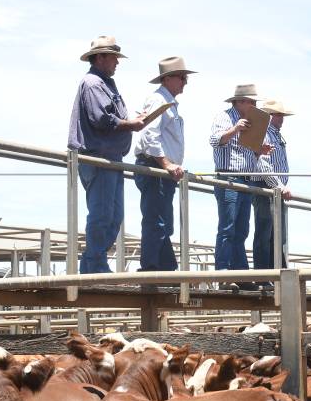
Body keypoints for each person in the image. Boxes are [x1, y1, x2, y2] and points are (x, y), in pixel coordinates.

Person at [67, 36, 146, 274]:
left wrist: (130, 122)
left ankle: (93, 263)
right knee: (103, 214)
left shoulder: (103, 83)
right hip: (98, 157)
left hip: (109, 158)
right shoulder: (93, 83)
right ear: (100, 57)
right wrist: (131, 124)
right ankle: (94, 265)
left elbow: (106, 117)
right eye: (113, 57)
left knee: (112, 216)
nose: (117, 63)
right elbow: (101, 119)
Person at [132, 56, 196, 276]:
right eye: (181, 77)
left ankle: (165, 268)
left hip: (162, 170)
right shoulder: (158, 100)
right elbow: (150, 134)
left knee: (162, 221)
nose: (185, 81)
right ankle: (151, 269)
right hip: (155, 167)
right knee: (156, 219)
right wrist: (166, 163)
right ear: (168, 78)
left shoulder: (166, 101)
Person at [209, 84, 272, 289]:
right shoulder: (224, 117)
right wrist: (235, 129)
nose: (254, 105)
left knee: (241, 229)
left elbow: (246, 152)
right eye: (251, 102)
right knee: (228, 227)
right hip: (229, 177)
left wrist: (258, 151)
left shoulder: (252, 122)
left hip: (244, 179)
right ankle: (224, 274)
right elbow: (215, 140)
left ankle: (240, 274)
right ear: (240, 102)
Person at [254, 99, 295, 286]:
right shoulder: (263, 133)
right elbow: (262, 164)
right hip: (267, 188)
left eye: (281, 115)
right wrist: (278, 185)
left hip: (276, 190)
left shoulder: (276, 135)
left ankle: (276, 273)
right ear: (268, 116)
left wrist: (280, 187)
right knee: (265, 233)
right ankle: (264, 275)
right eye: (277, 115)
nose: (281, 119)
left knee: (278, 235)